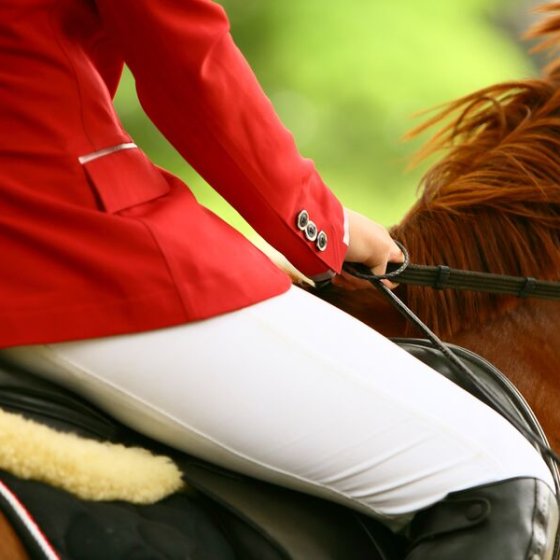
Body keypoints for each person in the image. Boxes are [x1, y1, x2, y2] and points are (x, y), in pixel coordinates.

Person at [0, 1, 557, 558]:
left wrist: (231, 258)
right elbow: (187, 58)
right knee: (497, 479)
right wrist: (320, 221)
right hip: (63, 251)